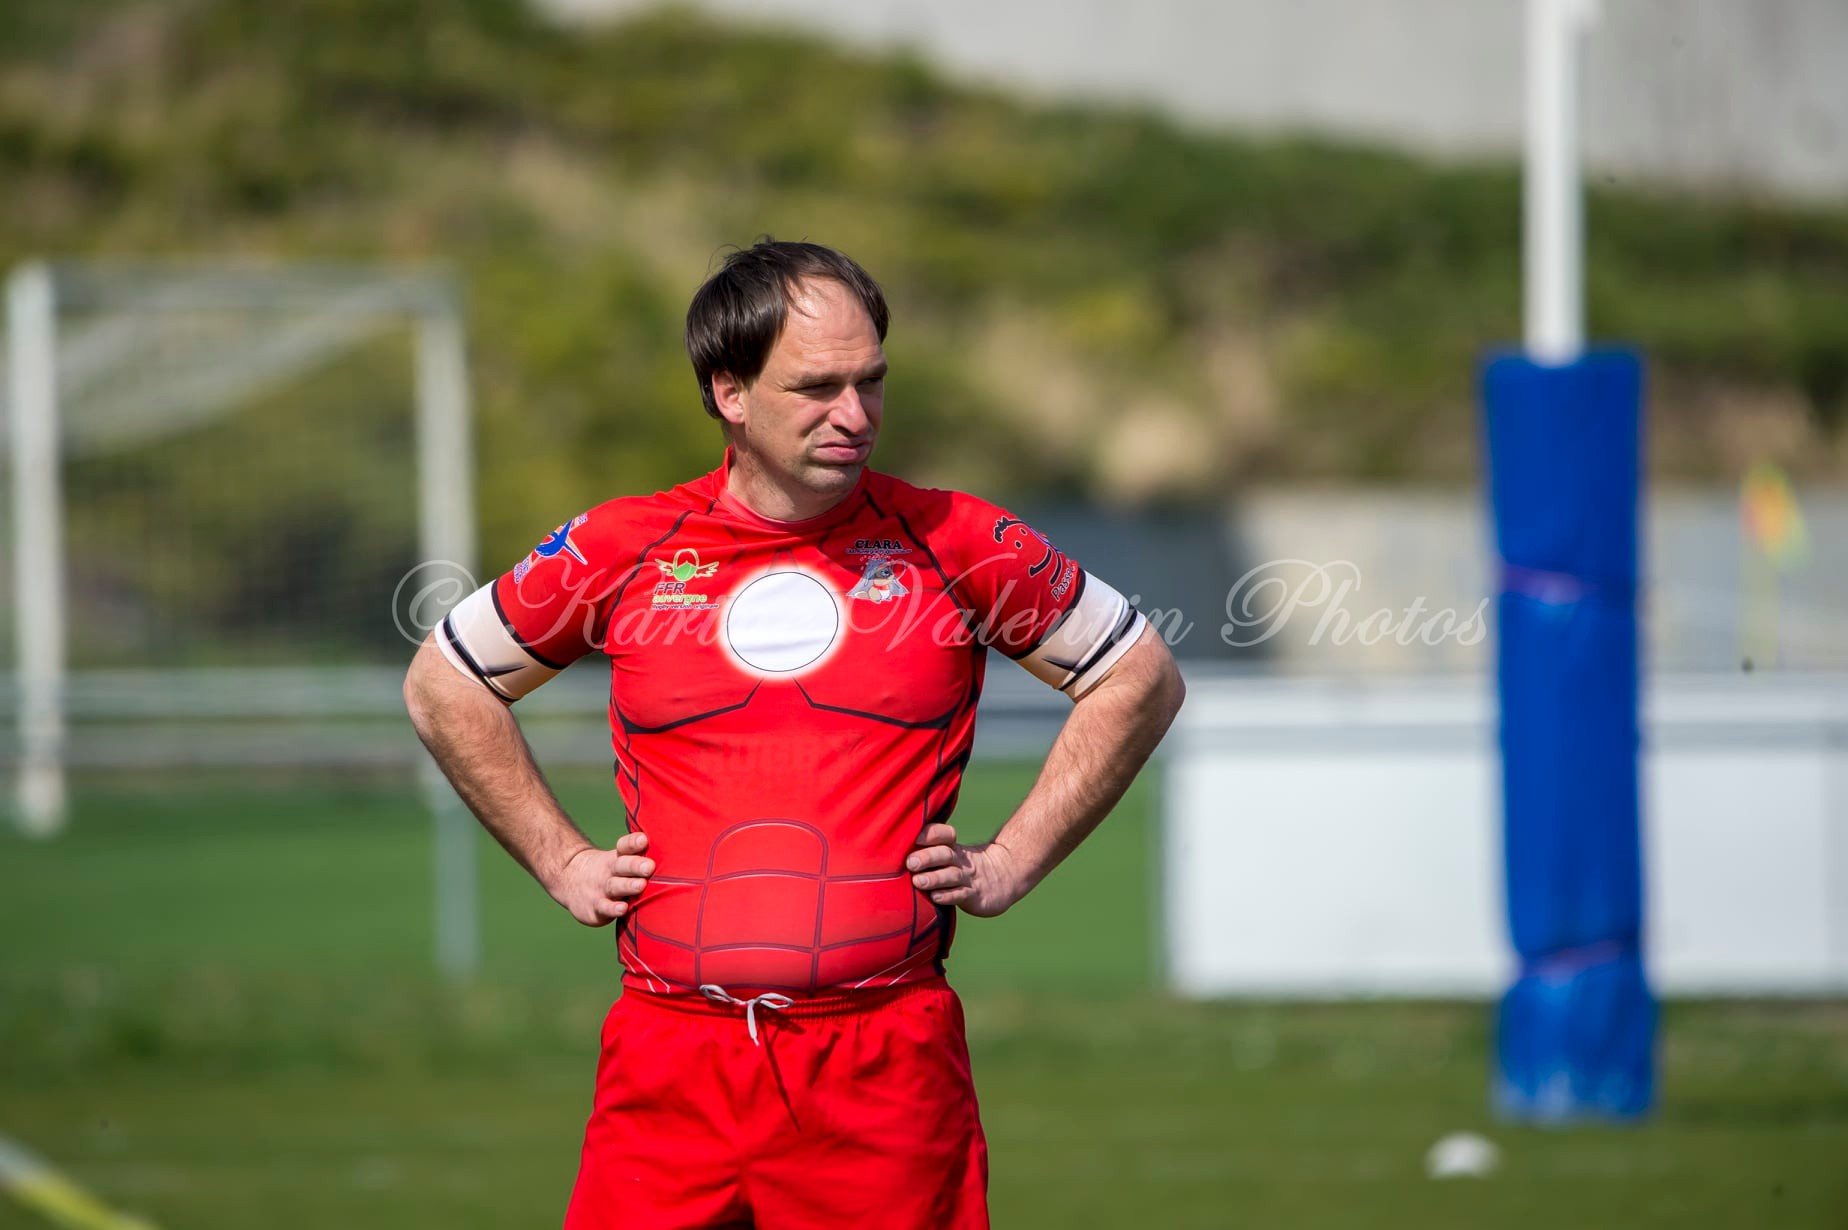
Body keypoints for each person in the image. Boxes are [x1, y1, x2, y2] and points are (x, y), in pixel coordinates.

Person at [403, 240, 1185, 1229]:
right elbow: (445, 684)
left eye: (871, 383)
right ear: (729, 392)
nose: (854, 417)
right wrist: (561, 860)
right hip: (671, 1068)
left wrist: (1012, 861)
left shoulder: (956, 541)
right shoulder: (624, 547)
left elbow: (1138, 675)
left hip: (883, 1072)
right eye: (817, 387)